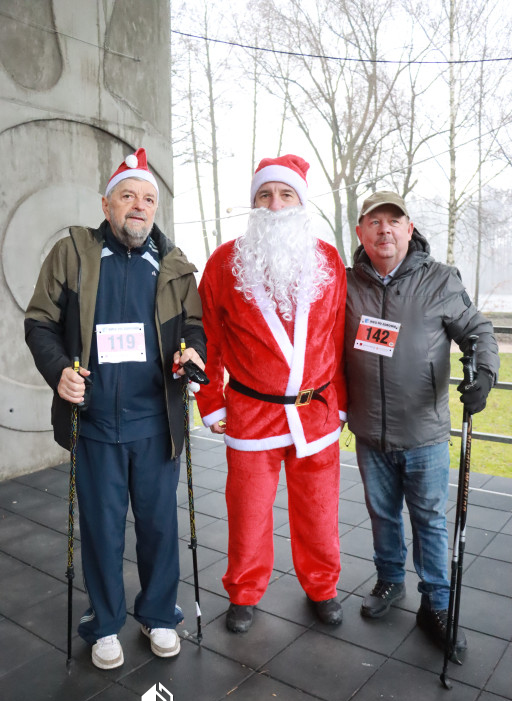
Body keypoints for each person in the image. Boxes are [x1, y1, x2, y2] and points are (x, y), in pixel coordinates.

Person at [25, 148, 206, 670]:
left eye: (148, 199)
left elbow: (193, 328)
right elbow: (39, 322)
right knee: (102, 528)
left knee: (157, 526)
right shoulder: (73, 253)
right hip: (97, 421)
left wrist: (193, 352)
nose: (139, 206)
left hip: (157, 424)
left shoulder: (174, 265)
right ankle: (104, 623)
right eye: (128, 196)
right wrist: (59, 369)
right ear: (106, 204)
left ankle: (158, 614)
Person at [195, 154, 347, 633]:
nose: (275, 204)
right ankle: (243, 591)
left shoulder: (327, 260)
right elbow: (207, 340)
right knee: (248, 513)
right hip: (251, 413)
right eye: (265, 195)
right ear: (253, 204)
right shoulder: (224, 263)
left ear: (301, 203)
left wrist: (340, 401)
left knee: (320, 513)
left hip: (317, 413)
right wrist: (210, 401)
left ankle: (322, 586)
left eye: (285, 194)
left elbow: (337, 339)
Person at [344, 190, 500, 656]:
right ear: (361, 232)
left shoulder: (440, 281)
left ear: (410, 229)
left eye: (394, 221)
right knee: (382, 515)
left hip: (424, 433)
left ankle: (436, 603)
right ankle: (390, 580)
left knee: (430, 521)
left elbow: (479, 330)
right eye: (375, 222)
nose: (385, 230)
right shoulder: (347, 284)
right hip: (370, 432)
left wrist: (485, 374)